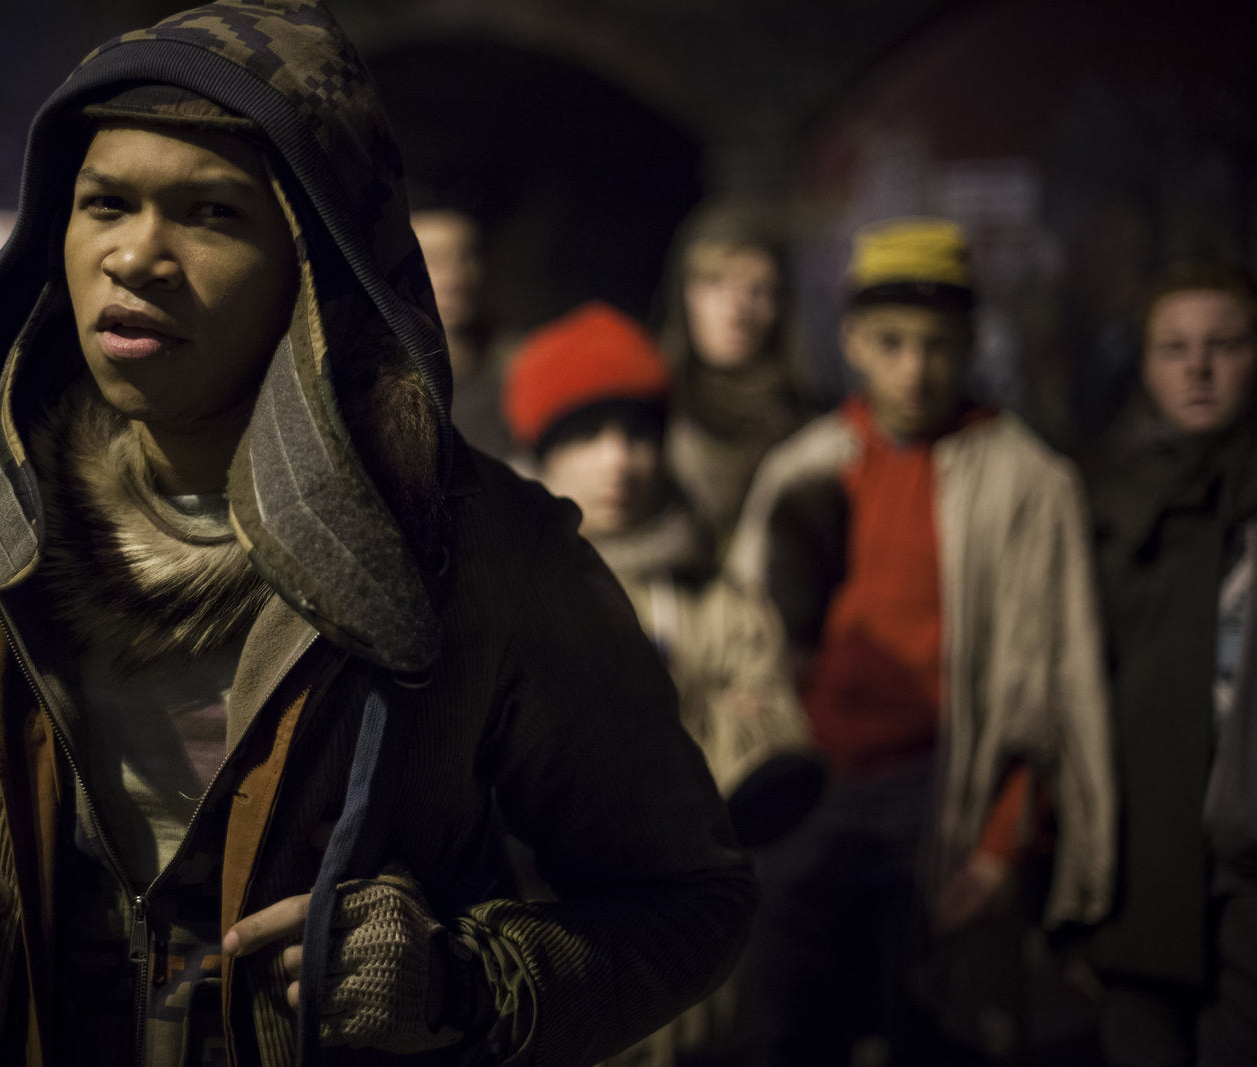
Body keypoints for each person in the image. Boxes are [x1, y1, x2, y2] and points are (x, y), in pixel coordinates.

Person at [0, 5, 757, 1065]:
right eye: (105, 203)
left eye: (211, 213)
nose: (136, 256)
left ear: (315, 259)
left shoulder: (485, 555)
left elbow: (687, 896)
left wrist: (462, 982)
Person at [728, 217, 1116, 1065]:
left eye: (937, 344)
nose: (915, 368)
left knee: (934, 1027)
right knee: (782, 1026)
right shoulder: (805, 467)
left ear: (970, 341)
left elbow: (1048, 684)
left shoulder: (1025, 482)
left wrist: (999, 844)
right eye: (891, 342)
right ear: (852, 342)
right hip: (813, 785)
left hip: (936, 789)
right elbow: (742, 637)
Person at [504, 302, 820, 1064]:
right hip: (548, 958)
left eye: (637, 435)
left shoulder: (715, 598)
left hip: (694, 968)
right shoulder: (503, 597)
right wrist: (701, 723)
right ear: (542, 453)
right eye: (586, 435)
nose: (618, 461)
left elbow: (770, 764)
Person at [1082, 262, 1257, 1067]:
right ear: (1146, 364)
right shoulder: (1110, 501)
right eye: (1175, 347)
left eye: (1225, 344)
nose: (1199, 368)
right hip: (1140, 859)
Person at [657, 200, 811, 546]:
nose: (736, 311)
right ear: (683, 295)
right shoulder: (647, 411)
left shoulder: (805, 426)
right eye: (713, 284)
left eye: (758, 290)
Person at [409, 205, 511, 458]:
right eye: (433, 259)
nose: (455, 277)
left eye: (465, 257)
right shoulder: (375, 377)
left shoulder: (517, 363)